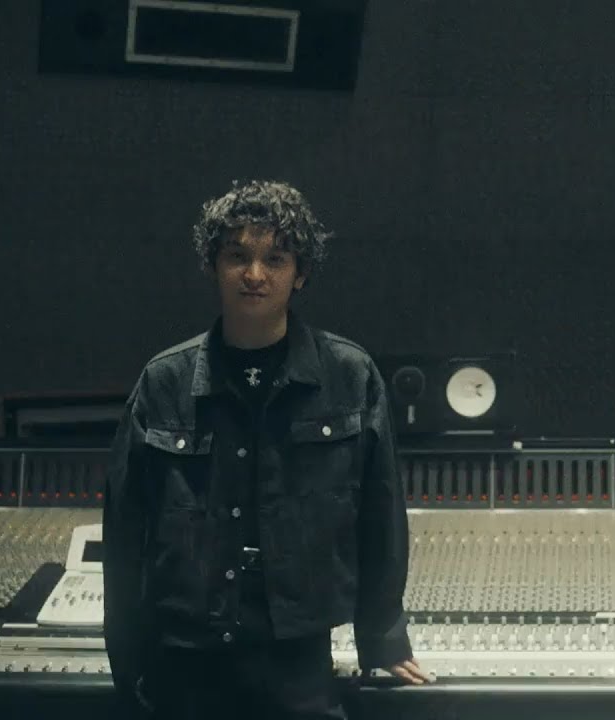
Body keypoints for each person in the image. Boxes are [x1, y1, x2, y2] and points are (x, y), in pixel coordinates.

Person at [103, 180, 430, 720]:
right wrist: (126, 657)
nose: (254, 275)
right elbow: (125, 531)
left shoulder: (350, 374)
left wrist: (382, 637)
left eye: (275, 258)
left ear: (299, 273)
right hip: (183, 663)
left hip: (299, 663)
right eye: (237, 256)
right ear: (213, 265)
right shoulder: (164, 380)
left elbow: (381, 513)